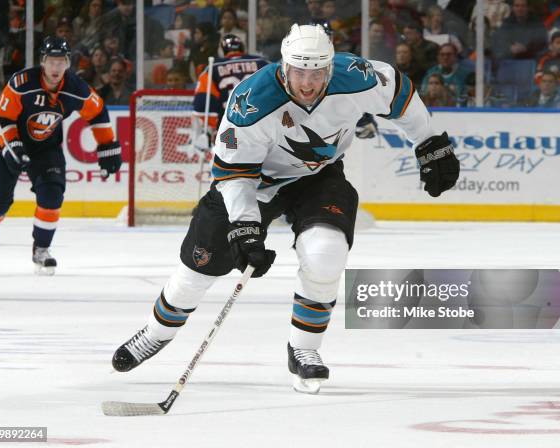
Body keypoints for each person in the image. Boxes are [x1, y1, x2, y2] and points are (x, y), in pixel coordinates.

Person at [111, 24, 459, 394]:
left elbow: (400, 94)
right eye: (299, 73)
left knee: (327, 252)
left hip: (319, 177)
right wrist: (245, 229)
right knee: (195, 272)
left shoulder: (356, 76)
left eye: (316, 73)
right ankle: (156, 333)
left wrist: (429, 140)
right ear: (284, 66)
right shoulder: (252, 101)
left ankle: (304, 349)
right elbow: (233, 176)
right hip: (254, 184)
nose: (308, 83)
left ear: (330, 67)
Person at [0, 36, 122, 273]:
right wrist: (12, 147)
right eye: (52, 61)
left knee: (52, 195)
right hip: (5, 145)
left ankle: (41, 249)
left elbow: (97, 111)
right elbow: (3, 119)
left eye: (61, 61)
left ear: (68, 63)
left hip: (44, 148)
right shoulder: (21, 83)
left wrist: (107, 145)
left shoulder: (75, 87)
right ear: (43, 62)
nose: (56, 67)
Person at [192, 33, 269, 149]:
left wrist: (214, 127)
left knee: (230, 162)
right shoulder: (263, 64)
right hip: (261, 129)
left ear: (222, 50)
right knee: (263, 163)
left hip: (229, 130)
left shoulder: (213, 67)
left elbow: (201, 105)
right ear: (242, 47)